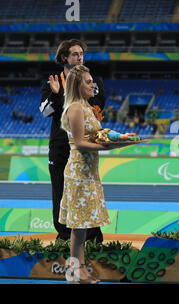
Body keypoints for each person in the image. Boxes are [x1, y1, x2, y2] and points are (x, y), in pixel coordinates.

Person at [59, 65, 126, 284]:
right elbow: (79, 143)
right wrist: (109, 148)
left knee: (83, 226)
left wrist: (116, 138)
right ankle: (76, 271)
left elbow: (95, 135)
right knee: (79, 228)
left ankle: (78, 270)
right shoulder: (76, 108)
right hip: (79, 172)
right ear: (77, 85)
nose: (92, 85)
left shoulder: (86, 106)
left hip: (88, 172)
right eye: (88, 82)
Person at [40, 39, 106, 243]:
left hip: (83, 148)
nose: (80, 58)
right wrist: (55, 94)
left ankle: (93, 238)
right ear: (64, 58)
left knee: (88, 190)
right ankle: (64, 237)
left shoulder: (92, 81)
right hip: (60, 147)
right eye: (75, 54)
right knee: (60, 192)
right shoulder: (52, 83)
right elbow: (45, 111)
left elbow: (96, 108)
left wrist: (65, 95)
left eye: (81, 54)